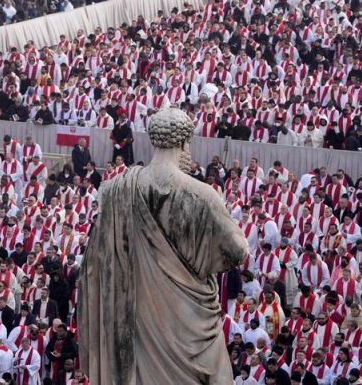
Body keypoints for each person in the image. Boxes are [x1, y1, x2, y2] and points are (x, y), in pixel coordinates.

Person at [79, 108, 248, 383]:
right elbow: (238, 251)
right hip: (190, 324)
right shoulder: (203, 195)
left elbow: (96, 266)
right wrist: (200, 260)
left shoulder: (115, 189)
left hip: (135, 317)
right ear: (183, 143)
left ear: (154, 141)